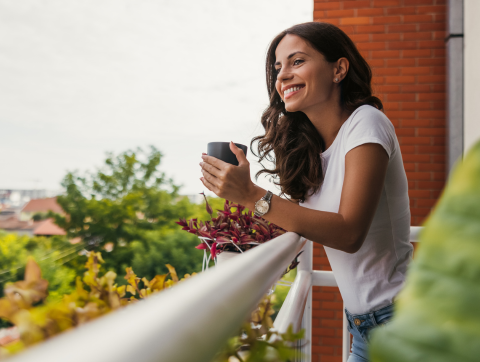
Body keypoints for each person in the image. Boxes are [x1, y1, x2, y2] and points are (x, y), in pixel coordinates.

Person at [199, 22, 413, 362]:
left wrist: (252, 195)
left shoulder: (367, 124)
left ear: (338, 69)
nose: (282, 75)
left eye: (297, 61)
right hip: (363, 328)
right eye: (278, 68)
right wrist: (232, 240)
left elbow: (349, 232)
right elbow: (301, 221)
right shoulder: (310, 150)